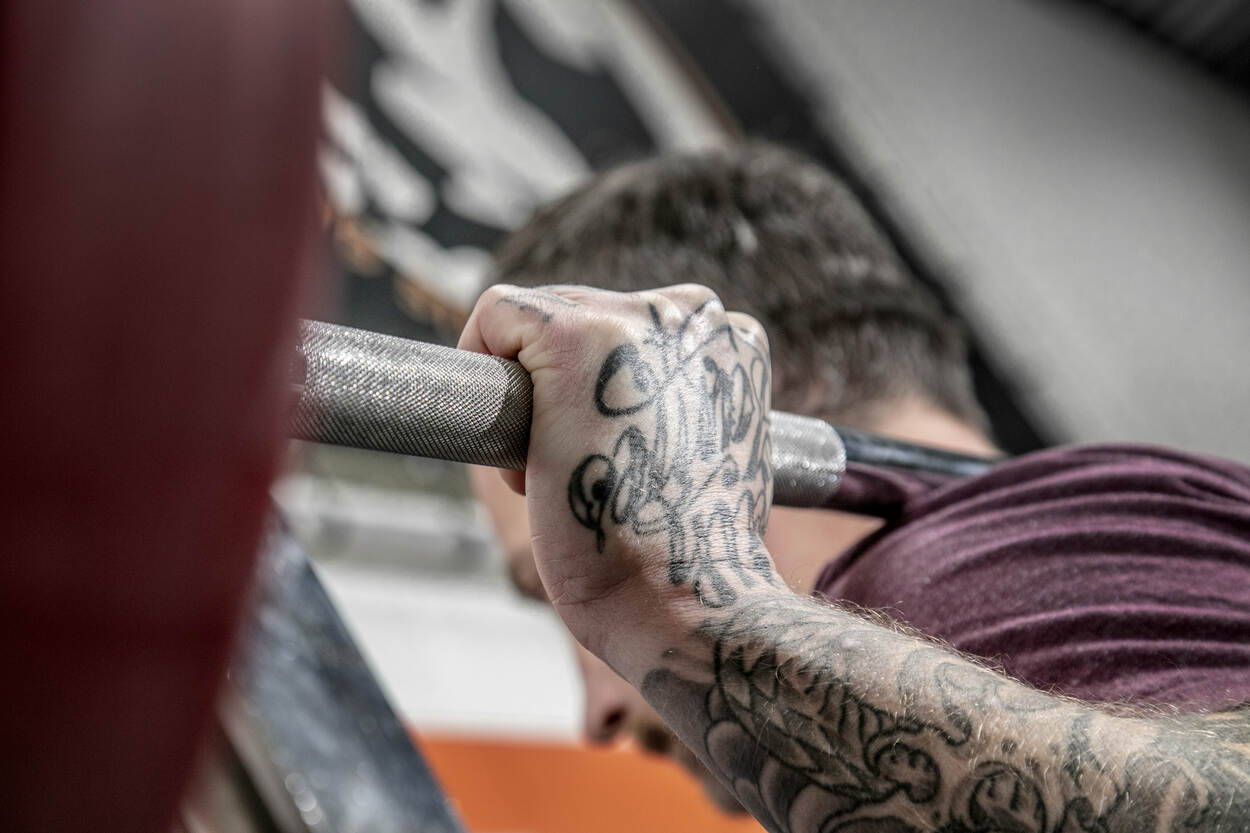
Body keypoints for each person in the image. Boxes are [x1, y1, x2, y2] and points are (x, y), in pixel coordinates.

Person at [464, 146, 1250, 831]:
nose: (597, 714)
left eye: (576, 569)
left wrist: (695, 612)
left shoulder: (961, 575)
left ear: (698, 433)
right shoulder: (1159, 511)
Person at [469, 143, 998, 809]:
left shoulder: (1072, 587)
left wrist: (708, 615)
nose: (600, 713)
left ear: (726, 410)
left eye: (601, 558)